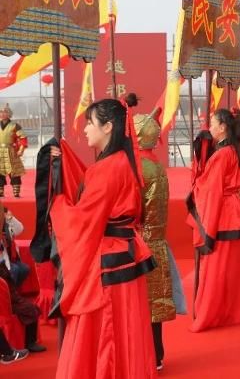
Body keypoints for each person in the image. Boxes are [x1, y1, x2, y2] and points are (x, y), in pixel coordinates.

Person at [49, 95, 157, 378]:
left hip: (107, 264)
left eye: (89, 123)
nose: (85, 129)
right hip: (126, 256)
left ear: (108, 127)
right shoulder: (124, 162)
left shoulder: (107, 168)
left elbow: (84, 219)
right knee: (126, 332)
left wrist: (57, 204)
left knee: (104, 334)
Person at [134, 107, 185, 370]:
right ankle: (157, 355)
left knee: (140, 304)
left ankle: (144, 356)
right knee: (153, 306)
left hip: (140, 243)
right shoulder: (155, 164)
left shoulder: (138, 168)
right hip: (157, 243)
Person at [186, 108, 240, 332]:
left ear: (222, 128)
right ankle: (230, 313)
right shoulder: (232, 150)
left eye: (212, 123)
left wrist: (207, 230)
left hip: (221, 214)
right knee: (228, 269)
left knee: (215, 269)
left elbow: (211, 191)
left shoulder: (222, 155)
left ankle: (209, 315)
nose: (209, 127)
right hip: (232, 212)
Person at [0, 207, 44, 353]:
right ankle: (28, 343)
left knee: (21, 269)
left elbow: (19, 229)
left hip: (7, 269)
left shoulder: (6, 227)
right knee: (30, 309)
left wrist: (10, 218)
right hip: (4, 275)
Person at [0, 105, 27, 198]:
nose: (2, 114)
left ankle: (16, 193)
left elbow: (23, 138)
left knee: (15, 172)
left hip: (11, 151)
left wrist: (21, 149)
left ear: (9, 114)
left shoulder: (15, 125)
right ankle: (0, 192)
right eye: (1, 112)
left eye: (5, 112)